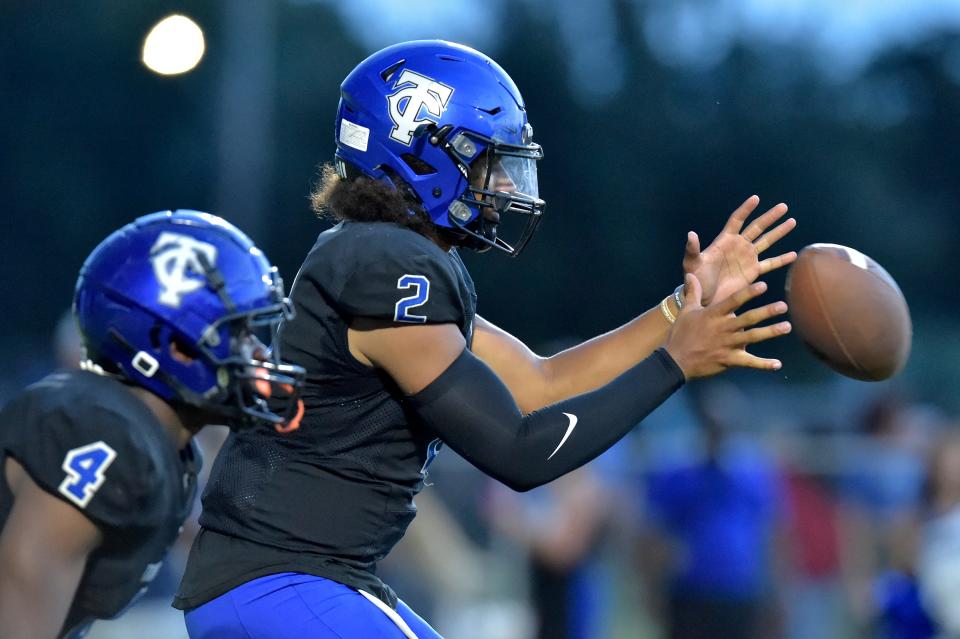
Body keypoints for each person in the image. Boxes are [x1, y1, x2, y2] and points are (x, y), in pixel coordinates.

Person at [175, 40, 797, 638]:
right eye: (486, 160)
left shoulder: (378, 257)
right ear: (421, 154)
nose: (502, 187)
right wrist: (673, 365)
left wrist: (681, 310)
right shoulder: (388, 265)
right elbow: (520, 452)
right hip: (284, 582)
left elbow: (538, 385)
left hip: (295, 579)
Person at [0, 210, 304, 639]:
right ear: (175, 345)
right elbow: (22, 604)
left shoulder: (166, 449)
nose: (259, 354)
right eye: (239, 334)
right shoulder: (102, 429)